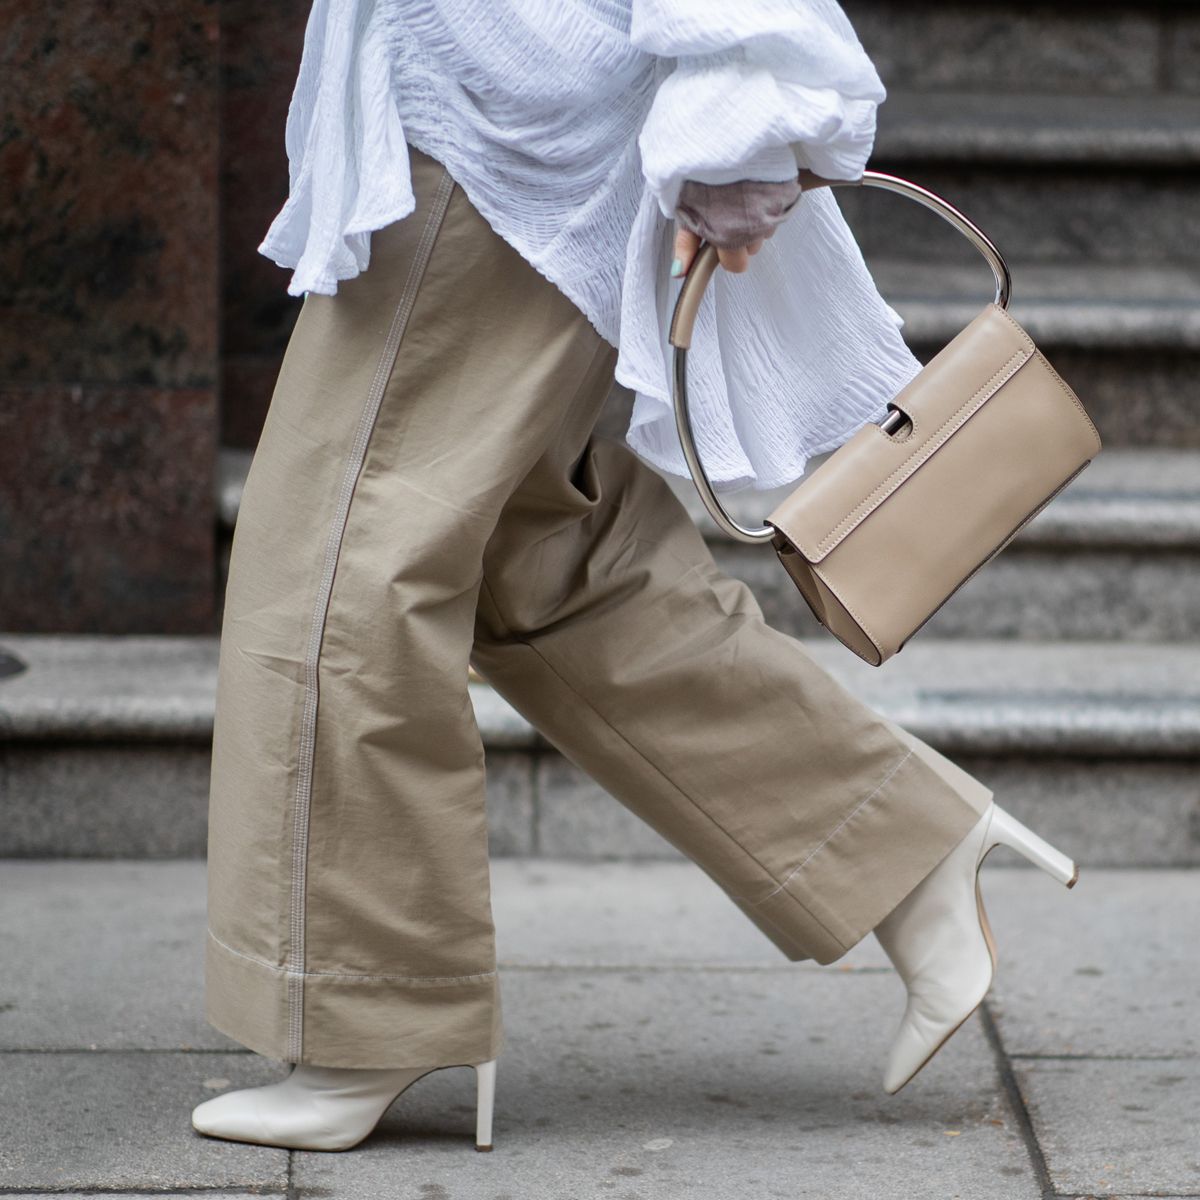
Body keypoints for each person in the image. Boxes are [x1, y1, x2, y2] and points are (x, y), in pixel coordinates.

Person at [191, 0, 1078, 1153]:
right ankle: (894, 843)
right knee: (537, 559)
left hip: (499, 127)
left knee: (341, 559)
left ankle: (367, 1011)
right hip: (504, 109)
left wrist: (742, 121)